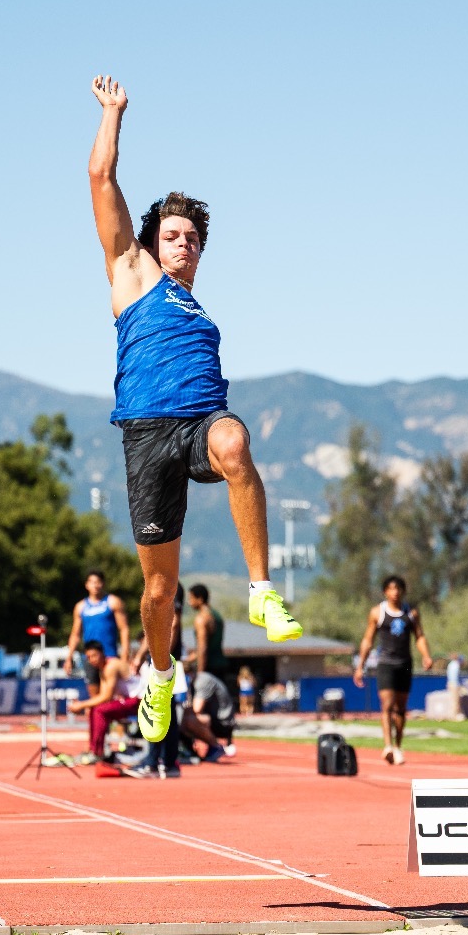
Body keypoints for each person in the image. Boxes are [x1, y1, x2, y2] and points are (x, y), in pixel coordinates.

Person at [87, 75, 302, 748]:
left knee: (236, 443)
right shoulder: (131, 273)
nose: (183, 244)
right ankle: (157, 674)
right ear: (153, 240)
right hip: (147, 434)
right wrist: (114, 116)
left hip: (203, 421)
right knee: (158, 594)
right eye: (173, 234)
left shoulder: (200, 310)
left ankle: (262, 589)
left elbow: (227, 430)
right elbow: (100, 176)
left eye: (192, 239)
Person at [353, 575, 435, 765]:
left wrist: (426, 655)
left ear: (403, 591)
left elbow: (420, 637)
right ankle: (387, 745)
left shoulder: (411, 613)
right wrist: (360, 666)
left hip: (405, 663)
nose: (395, 592)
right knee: (387, 705)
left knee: (401, 708)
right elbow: (368, 640)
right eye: (391, 589)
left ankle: (398, 746)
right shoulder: (377, 613)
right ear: (385, 592)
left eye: (398, 589)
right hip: (386, 663)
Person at [67, 641, 138, 766]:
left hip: (139, 700)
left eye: (94, 655)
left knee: (100, 710)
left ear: (102, 653)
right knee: (96, 709)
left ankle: (96, 752)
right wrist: (86, 705)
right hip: (127, 700)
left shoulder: (111, 666)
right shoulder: (103, 668)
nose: (92, 660)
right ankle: (94, 749)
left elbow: (106, 697)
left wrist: (81, 705)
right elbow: (104, 697)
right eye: (88, 657)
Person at [67, 571, 130, 662]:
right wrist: (69, 657)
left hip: (109, 656)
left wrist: (125, 653)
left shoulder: (113, 602)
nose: (95, 585)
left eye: (98, 582)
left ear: (103, 583)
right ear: (87, 585)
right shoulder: (80, 606)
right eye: (92, 582)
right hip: (89, 658)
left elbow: (124, 629)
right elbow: (75, 634)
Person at [187, 584, 229, 689]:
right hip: (221, 664)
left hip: (209, 668)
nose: (189, 602)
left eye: (191, 598)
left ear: (200, 599)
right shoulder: (217, 616)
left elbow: (203, 648)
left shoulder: (201, 618)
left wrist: (200, 675)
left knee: (202, 704)